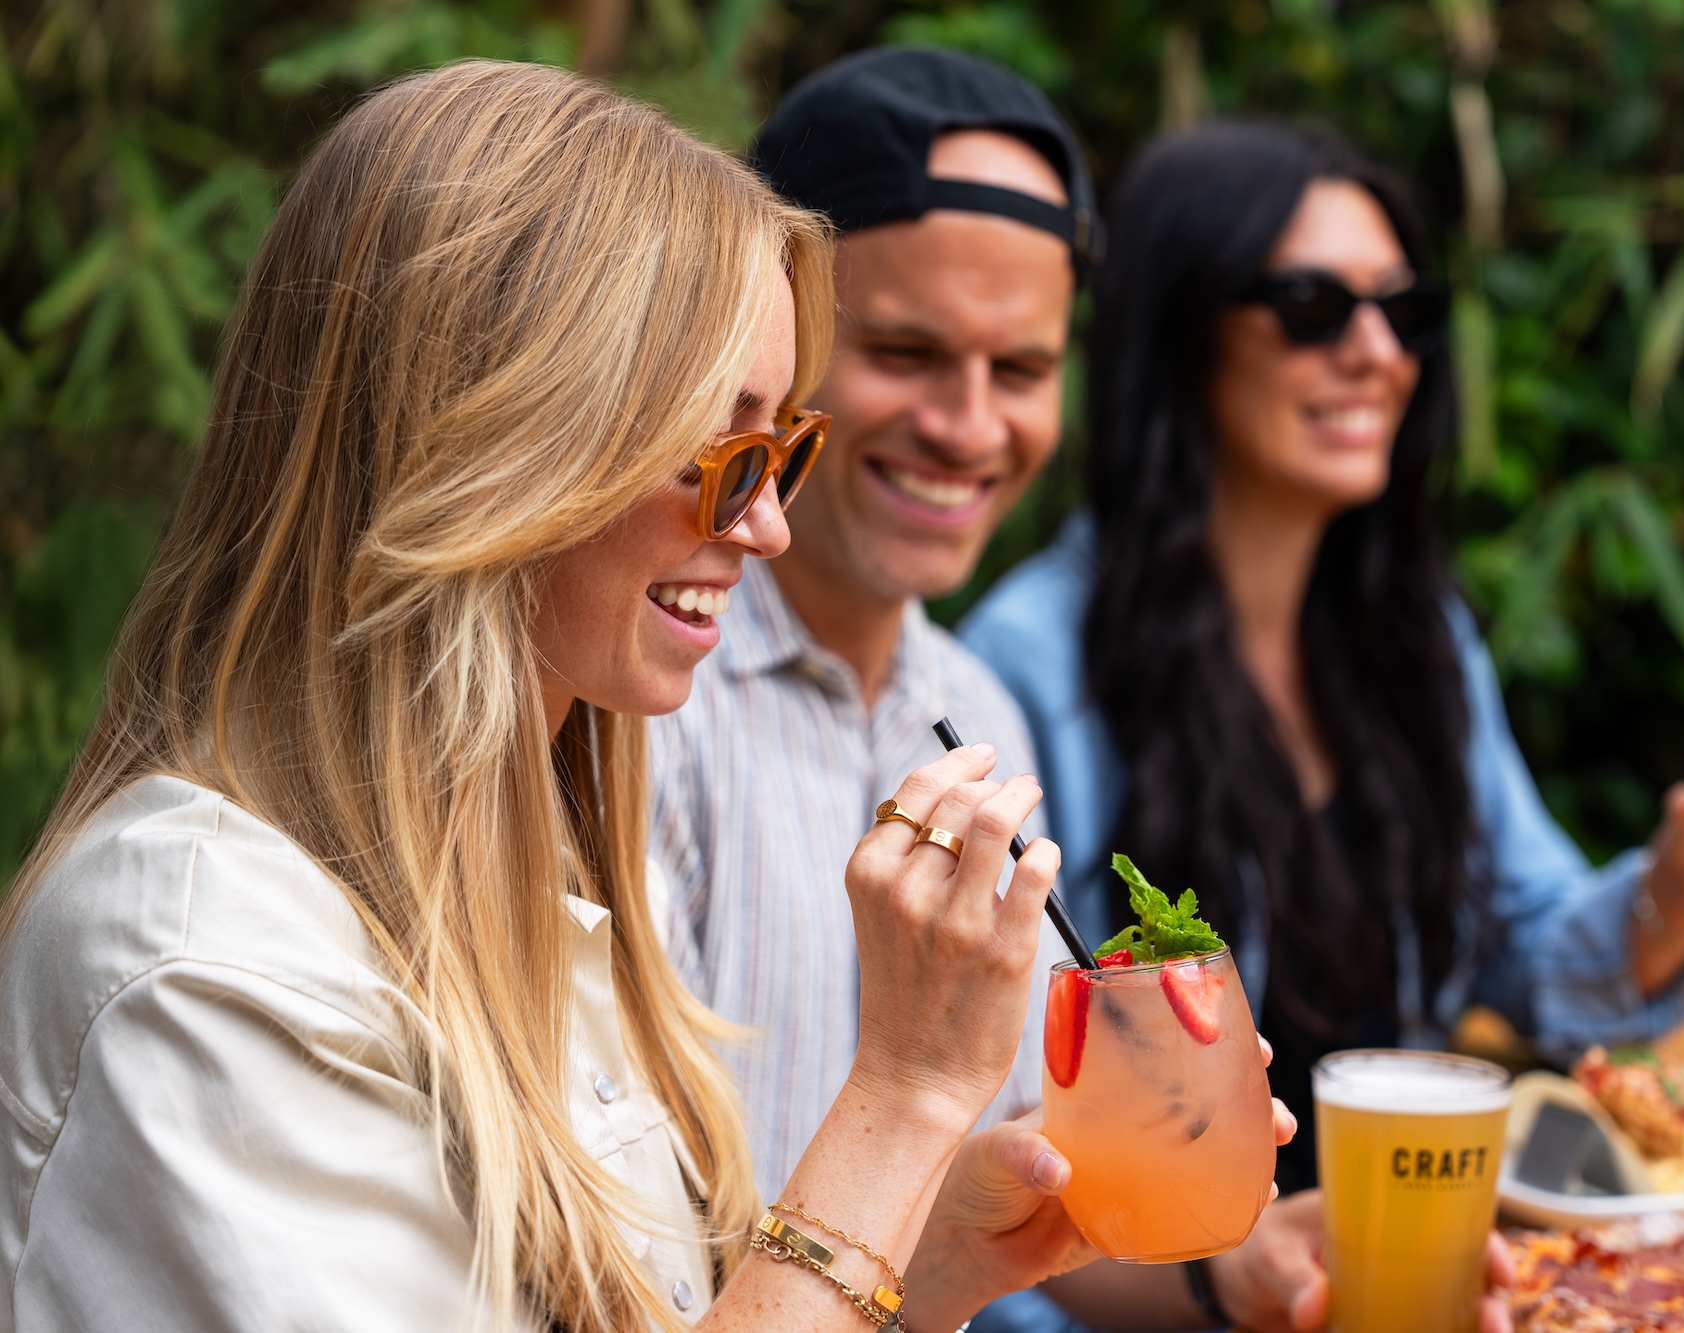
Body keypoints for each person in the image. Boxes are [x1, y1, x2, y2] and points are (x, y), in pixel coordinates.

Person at [0, 61, 1107, 1332]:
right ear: (500, 446)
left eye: (786, 451)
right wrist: (901, 1103)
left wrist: (929, 1265)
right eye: (721, 447)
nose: (766, 529)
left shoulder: (532, 891)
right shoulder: (212, 964)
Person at [960, 110, 1684, 1272]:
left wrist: (1678, 888)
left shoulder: (1414, 638)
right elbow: (1002, 1133)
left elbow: (1530, 948)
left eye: (1403, 311)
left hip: (1405, 1257)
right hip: (1150, 1290)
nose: (1376, 352)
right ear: (1181, 334)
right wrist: (1215, 1285)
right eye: (1311, 308)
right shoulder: (1026, 660)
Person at [650, 47, 1356, 1333]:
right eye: (906, 351)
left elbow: (1005, 1206)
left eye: (1019, 371)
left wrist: (1215, 1265)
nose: (968, 426)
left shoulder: (970, 704)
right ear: (771, 348)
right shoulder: (641, 695)